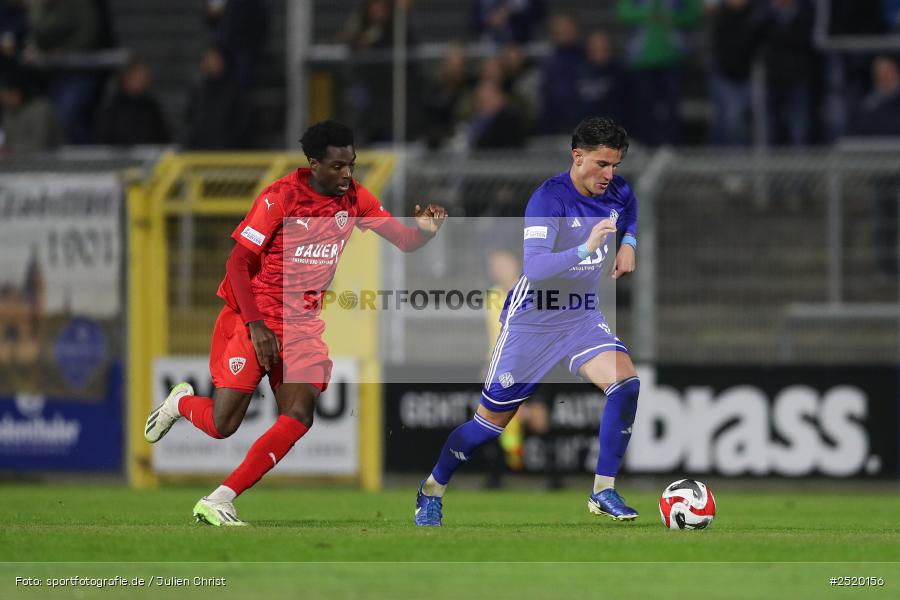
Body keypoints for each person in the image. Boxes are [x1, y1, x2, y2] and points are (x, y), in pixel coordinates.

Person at [144, 120, 447, 526]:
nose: (347, 175)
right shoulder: (280, 198)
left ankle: (219, 499)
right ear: (313, 163)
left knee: (301, 412)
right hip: (255, 317)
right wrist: (256, 326)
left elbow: (405, 241)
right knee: (222, 425)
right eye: (338, 166)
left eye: (351, 165)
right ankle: (180, 403)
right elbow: (236, 262)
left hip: (301, 325)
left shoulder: (355, 199)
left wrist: (425, 232)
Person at [415, 116, 639, 526]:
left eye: (615, 165)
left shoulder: (616, 190)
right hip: (531, 320)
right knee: (487, 426)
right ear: (578, 157)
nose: (611, 175)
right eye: (602, 165)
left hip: (580, 316)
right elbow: (535, 269)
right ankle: (431, 489)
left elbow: (629, 208)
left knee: (625, 385)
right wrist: (587, 246)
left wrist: (629, 243)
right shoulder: (548, 200)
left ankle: (603, 491)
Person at [96, 58, 170, 146]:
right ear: (126, 77)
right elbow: (103, 137)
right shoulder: (112, 107)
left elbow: (162, 136)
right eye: (138, 76)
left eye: (143, 77)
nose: (142, 80)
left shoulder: (150, 106)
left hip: (149, 157)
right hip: (118, 159)